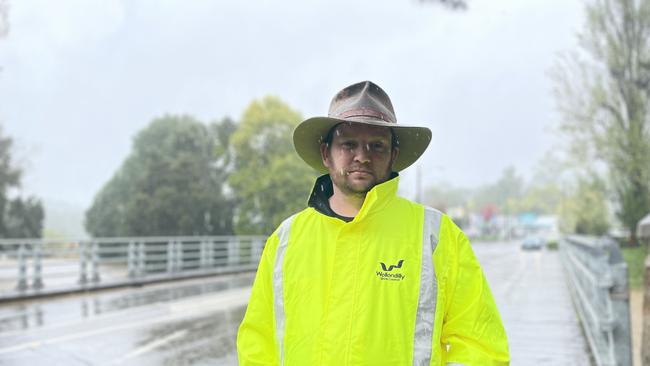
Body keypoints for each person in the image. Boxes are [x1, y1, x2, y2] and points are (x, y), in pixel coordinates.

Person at [237, 81, 509, 365]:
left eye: (376, 146)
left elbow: (481, 345)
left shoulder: (437, 237)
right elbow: (258, 344)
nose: (362, 156)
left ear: (393, 155)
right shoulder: (286, 239)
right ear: (325, 154)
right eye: (348, 144)